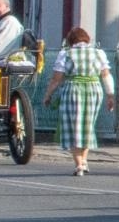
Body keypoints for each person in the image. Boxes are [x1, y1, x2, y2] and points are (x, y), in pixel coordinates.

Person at [43, 26, 115, 176]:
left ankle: (79, 164)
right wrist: (110, 95)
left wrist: (48, 94)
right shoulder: (98, 53)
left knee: (72, 127)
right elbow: (106, 75)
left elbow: (56, 79)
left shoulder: (66, 53)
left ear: (71, 41)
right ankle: (84, 160)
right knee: (87, 125)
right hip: (94, 90)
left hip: (73, 90)